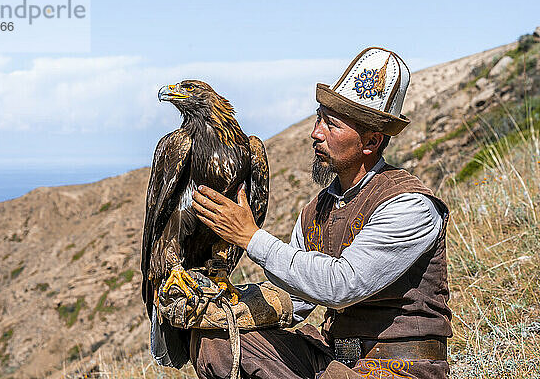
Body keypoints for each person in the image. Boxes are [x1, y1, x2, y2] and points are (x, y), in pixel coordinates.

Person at [191, 47, 452, 379]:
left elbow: (341, 285)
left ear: (370, 142)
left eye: (332, 124)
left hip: (401, 369)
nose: (316, 132)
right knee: (220, 343)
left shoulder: (409, 205)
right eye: (319, 118)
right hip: (335, 359)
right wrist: (222, 304)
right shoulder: (315, 211)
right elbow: (297, 297)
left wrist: (251, 238)